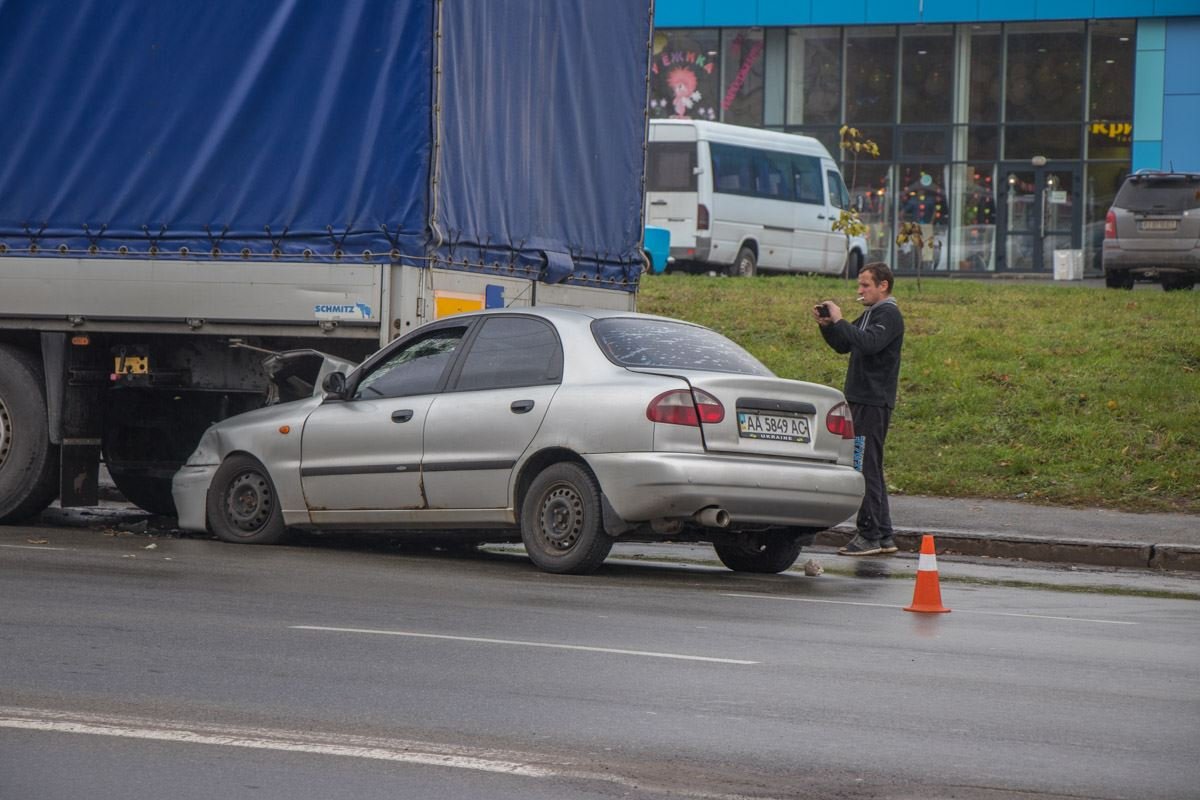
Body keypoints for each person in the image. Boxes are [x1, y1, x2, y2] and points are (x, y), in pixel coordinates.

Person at [812, 263, 904, 556]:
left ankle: (869, 535)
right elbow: (846, 344)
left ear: (883, 286)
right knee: (870, 466)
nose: (860, 290)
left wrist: (841, 321)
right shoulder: (870, 314)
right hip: (861, 399)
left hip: (872, 402)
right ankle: (883, 534)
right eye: (860, 285)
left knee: (863, 466)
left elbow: (870, 343)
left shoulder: (888, 314)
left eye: (865, 285)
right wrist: (829, 327)